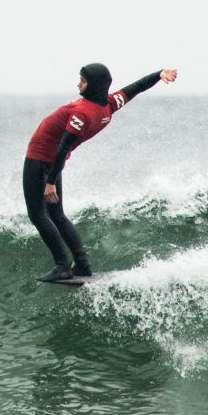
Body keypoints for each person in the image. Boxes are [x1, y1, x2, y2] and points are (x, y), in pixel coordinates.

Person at [23, 62, 178, 283]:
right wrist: (159, 75)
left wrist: (49, 182)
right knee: (57, 214)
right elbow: (136, 88)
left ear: (94, 84)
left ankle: (62, 265)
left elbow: (63, 147)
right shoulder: (107, 105)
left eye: (83, 80)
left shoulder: (81, 114)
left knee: (38, 214)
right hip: (52, 161)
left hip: (41, 159)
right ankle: (82, 265)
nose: (78, 83)